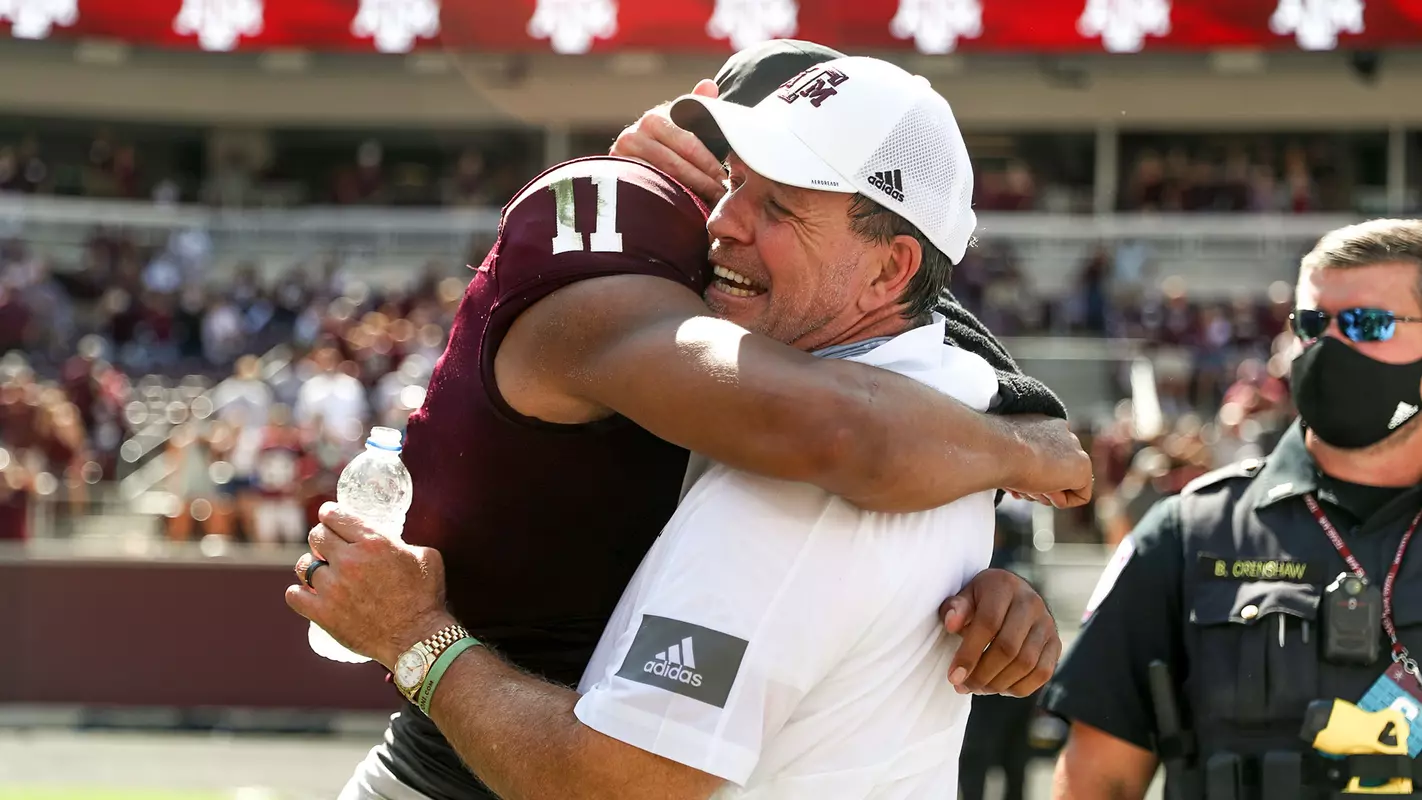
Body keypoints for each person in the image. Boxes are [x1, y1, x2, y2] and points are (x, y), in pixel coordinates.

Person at [298, 42, 1091, 800]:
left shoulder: (865, 395)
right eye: (729, 175)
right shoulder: (630, 251)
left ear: (893, 268)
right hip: (461, 768)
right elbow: (846, 431)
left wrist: (951, 588)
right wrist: (1029, 448)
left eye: (776, 199)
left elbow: (854, 435)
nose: (719, 219)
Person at [1043, 218, 1422, 800]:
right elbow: (1101, 778)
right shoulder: (1186, 533)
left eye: (1367, 324)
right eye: (1313, 324)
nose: (1331, 346)